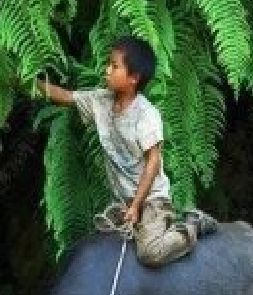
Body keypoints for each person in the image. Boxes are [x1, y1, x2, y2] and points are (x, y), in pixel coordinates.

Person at [34, 36, 217, 268]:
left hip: (151, 199)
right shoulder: (101, 102)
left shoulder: (146, 115)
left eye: (115, 66)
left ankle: (194, 225)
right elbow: (67, 97)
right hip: (122, 200)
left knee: (150, 254)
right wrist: (32, 83)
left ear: (133, 78)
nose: (107, 69)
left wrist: (136, 205)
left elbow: (153, 161)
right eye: (109, 64)